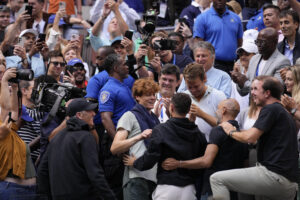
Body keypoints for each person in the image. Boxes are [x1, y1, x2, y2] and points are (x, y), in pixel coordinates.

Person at [210, 76, 298, 200]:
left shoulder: (271, 109)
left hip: (274, 176)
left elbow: (250, 137)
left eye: (255, 89)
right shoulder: (282, 112)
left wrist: (231, 131)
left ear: (267, 93)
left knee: (217, 179)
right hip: (288, 183)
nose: (252, 93)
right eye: (251, 89)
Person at [123, 93, 207, 200]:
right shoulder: (198, 133)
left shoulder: (161, 130)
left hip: (166, 187)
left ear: (171, 107)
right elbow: (202, 161)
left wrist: (135, 162)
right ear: (188, 110)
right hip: (189, 189)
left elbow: (151, 158)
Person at [162, 99, 248, 200]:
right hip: (234, 190)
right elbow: (245, 165)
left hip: (214, 190)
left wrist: (178, 163)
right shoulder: (242, 135)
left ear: (224, 110)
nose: (216, 112)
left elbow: (206, 161)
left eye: (218, 109)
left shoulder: (218, 131)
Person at [37, 98, 116, 200]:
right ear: (79, 115)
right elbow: (95, 173)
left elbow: (42, 171)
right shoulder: (85, 137)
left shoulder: (56, 138)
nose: (94, 113)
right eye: (89, 111)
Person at [111, 79, 160, 200]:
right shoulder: (129, 116)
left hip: (154, 179)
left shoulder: (154, 119)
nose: (153, 98)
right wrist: (139, 136)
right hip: (136, 179)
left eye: (154, 94)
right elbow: (115, 148)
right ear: (137, 97)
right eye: (148, 94)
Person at [99, 53, 136, 199]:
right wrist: (118, 143)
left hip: (126, 139)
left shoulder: (123, 85)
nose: (128, 67)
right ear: (115, 68)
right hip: (115, 141)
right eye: (124, 64)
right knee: (115, 185)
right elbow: (105, 118)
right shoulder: (108, 89)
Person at [0, 68, 37, 199]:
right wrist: (4, 81)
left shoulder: (9, 129)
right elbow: (6, 110)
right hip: (10, 191)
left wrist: (14, 88)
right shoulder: (2, 129)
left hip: (28, 190)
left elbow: (14, 113)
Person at [232, 27, 291, 96]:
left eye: (262, 42)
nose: (259, 45)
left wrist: (245, 83)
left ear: (274, 42)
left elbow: (275, 90)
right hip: (253, 105)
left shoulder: (282, 61)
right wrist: (239, 81)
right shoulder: (254, 59)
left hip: (270, 106)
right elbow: (243, 92)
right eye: (257, 42)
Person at [193, 0, 243, 74]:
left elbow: (239, 42)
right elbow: (198, 45)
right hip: (213, 64)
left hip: (233, 64)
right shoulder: (202, 18)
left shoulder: (236, 18)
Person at [183, 62, 226, 141]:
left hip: (214, 148)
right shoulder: (183, 97)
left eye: (196, 86)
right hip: (190, 148)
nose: (193, 90)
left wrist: (202, 115)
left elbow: (226, 126)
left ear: (205, 78)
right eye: (189, 87)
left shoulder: (219, 96)